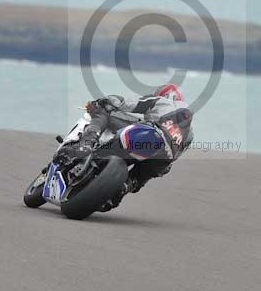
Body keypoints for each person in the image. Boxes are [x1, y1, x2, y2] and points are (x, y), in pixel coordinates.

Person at [71, 83, 193, 211]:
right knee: (138, 177)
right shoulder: (189, 133)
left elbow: (130, 103)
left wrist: (106, 102)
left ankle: (86, 144)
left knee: (102, 112)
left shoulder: (161, 101)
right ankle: (123, 188)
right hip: (164, 158)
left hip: (150, 136)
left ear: (164, 95)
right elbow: (173, 160)